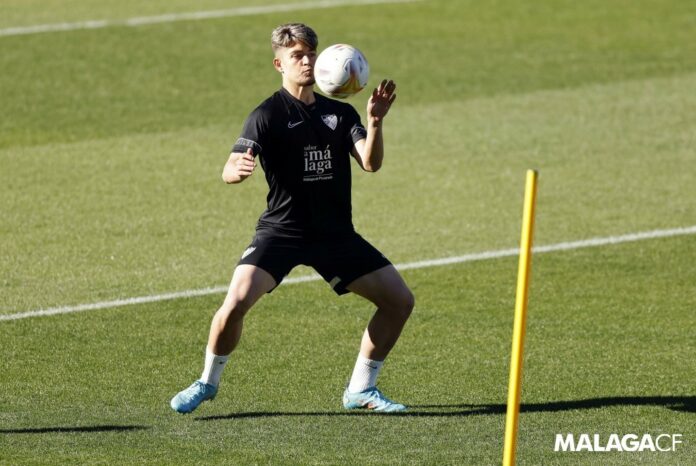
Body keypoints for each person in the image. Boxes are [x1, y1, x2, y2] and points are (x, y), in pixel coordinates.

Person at [170, 23, 414, 414]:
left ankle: (360, 390)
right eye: (297, 56)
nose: (306, 61)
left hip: (334, 234)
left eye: (310, 54)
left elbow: (370, 163)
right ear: (278, 63)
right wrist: (236, 170)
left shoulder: (340, 112)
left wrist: (377, 121)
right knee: (235, 302)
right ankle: (206, 382)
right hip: (282, 232)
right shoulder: (266, 114)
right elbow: (230, 165)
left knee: (400, 301)